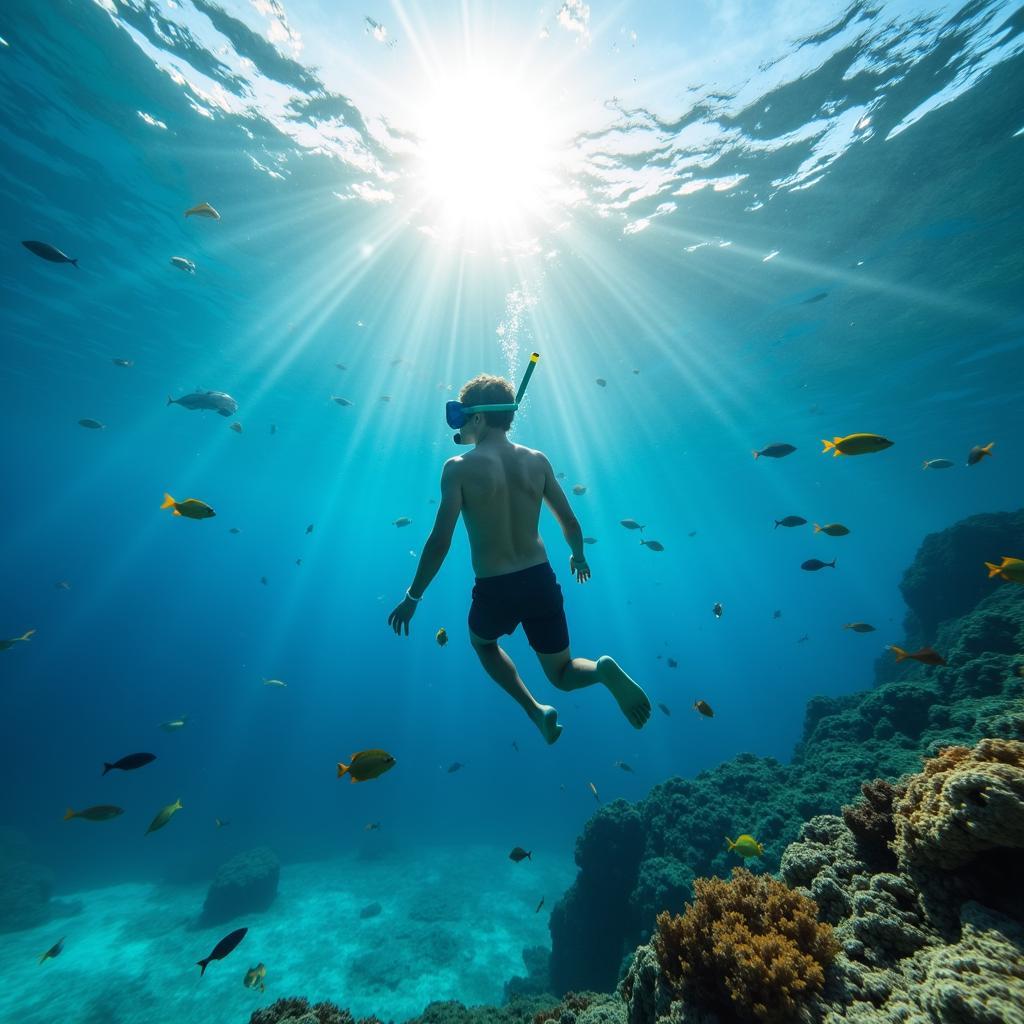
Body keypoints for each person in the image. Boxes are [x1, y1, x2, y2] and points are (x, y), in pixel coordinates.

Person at [387, 372, 651, 744]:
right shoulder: (538, 460)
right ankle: (602, 670)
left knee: (484, 644)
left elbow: (439, 541)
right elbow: (571, 523)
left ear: (478, 418)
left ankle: (535, 710)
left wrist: (413, 597)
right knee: (562, 672)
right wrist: (578, 558)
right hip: (541, 580)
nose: (458, 424)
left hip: (496, 587)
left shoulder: (458, 468)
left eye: (461, 416)